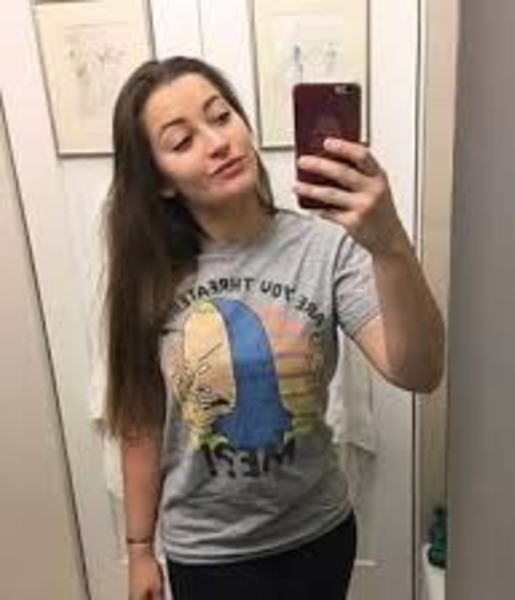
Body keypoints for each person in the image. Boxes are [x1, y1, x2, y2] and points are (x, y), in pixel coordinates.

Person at [103, 56, 444, 600]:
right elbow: (140, 419)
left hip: (317, 535)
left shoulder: (327, 248)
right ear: (161, 182)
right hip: (207, 554)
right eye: (182, 141)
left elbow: (419, 371)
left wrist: (390, 245)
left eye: (221, 116)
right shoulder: (150, 276)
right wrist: (140, 548)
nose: (218, 142)